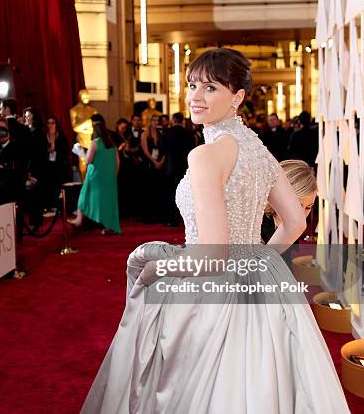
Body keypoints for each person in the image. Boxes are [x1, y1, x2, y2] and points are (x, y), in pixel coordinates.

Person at [81, 48, 349, 413]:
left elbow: (211, 256)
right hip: (258, 285)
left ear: (237, 97)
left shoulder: (206, 156)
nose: (195, 96)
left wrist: (157, 268)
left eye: (210, 88)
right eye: (192, 85)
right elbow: (296, 222)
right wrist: (257, 264)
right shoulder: (259, 150)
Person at [68, 114, 120, 235]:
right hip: (109, 177)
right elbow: (117, 162)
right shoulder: (112, 144)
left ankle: (79, 220)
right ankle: (109, 227)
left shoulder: (94, 143)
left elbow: (88, 160)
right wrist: (114, 175)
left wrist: (80, 152)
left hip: (95, 176)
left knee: (84, 197)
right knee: (108, 202)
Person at [262, 159, 317, 243]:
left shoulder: (291, 231)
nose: (302, 215)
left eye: (308, 207)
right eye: (298, 205)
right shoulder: (253, 226)